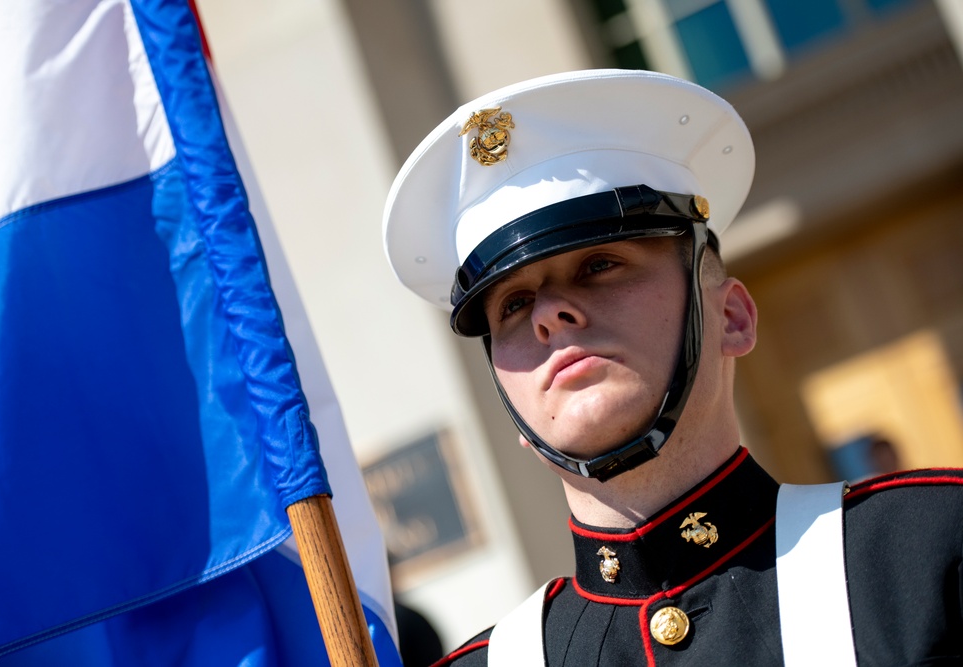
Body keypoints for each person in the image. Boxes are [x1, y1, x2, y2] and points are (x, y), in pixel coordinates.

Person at [382, 70, 963, 666]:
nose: (549, 314)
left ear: (732, 317)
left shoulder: (933, 554)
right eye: (513, 303)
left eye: (600, 264)